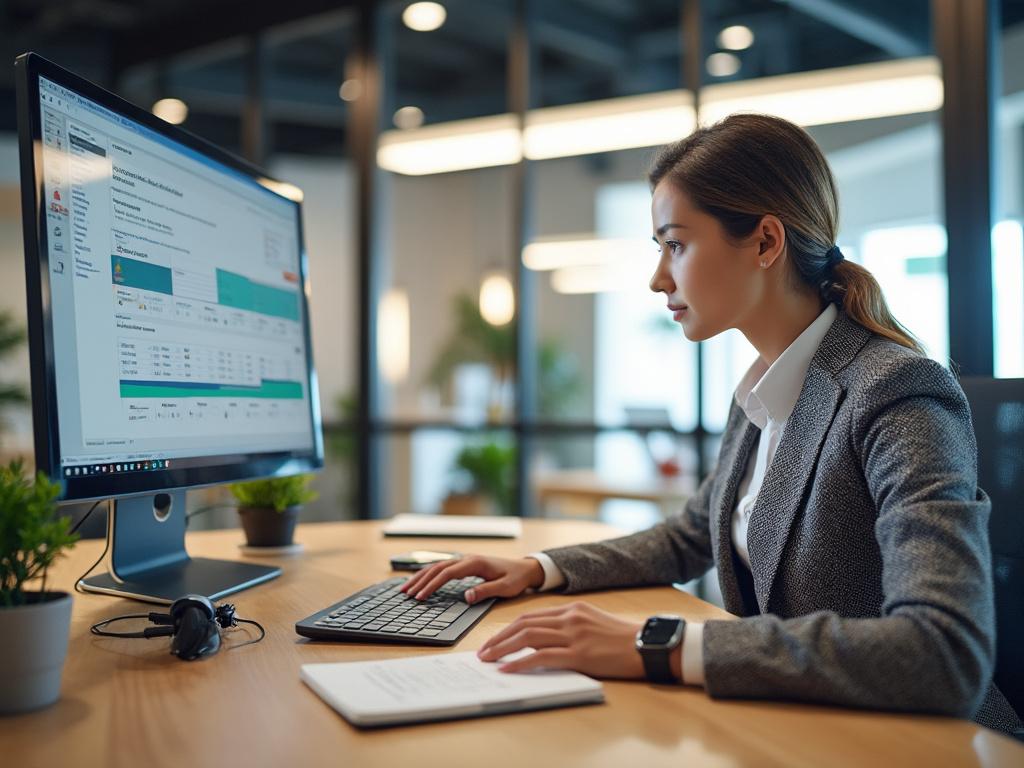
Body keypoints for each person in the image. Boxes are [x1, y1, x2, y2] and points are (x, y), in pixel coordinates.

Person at [401, 113, 1022, 735]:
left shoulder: (894, 390)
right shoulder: (763, 386)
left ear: (765, 242)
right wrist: (538, 568)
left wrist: (660, 644)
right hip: (804, 729)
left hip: (926, 745)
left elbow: (944, 653)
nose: (657, 278)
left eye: (676, 244)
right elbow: (691, 535)